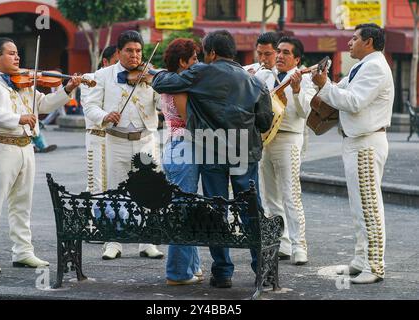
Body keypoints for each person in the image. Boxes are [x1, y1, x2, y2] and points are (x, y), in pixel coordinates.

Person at [152, 30, 273, 288]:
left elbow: (162, 83)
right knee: (251, 209)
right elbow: (264, 122)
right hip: (244, 151)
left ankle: (222, 272)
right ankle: (261, 268)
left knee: (216, 211)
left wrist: (158, 71)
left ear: (212, 53)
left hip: (211, 150)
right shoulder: (255, 82)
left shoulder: (201, 73)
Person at [0, 37, 82, 273]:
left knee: (23, 204)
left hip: (26, 147)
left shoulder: (24, 82)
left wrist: (68, 88)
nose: (17, 57)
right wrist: (18, 118)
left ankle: (23, 251)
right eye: (11, 53)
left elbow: (45, 104)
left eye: (18, 53)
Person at [312, 23, 393, 284]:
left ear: (368, 41)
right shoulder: (362, 66)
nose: (349, 42)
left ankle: (375, 266)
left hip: (366, 143)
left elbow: (354, 102)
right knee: (359, 206)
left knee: (369, 206)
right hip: (357, 142)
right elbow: (340, 91)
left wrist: (325, 85)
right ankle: (361, 260)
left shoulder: (376, 66)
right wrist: (318, 82)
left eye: (354, 38)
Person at [84, 30, 164, 260]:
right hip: (115, 140)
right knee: (115, 192)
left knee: (148, 191)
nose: (135, 56)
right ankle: (113, 241)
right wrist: (105, 115)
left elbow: (162, 101)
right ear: (118, 52)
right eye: (129, 51)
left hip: (146, 140)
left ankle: (147, 241)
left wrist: (159, 84)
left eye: (138, 51)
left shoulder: (150, 75)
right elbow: (89, 106)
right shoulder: (102, 75)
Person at [259, 36, 316, 265]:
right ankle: (280, 243)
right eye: (279, 51)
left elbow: (305, 113)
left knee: (291, 195)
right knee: (270, 196)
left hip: (289, 139)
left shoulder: (307, 79)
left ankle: (299, 246)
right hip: (265, 139)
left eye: (286, 53)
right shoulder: (264, 76)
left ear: (297, 59)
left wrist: (296, 89)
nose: (280, 56)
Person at [160, 38, 203, 285]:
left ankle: (192, 267)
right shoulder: (179, 86)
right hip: (183, 147)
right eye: (194, 59)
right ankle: (177, 272)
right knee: (183, 210)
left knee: (187, 206)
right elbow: (190, 121)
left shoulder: (170, 82)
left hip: (176, 146)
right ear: (182, 62)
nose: (197, 63)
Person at [81, 45, 118, 245]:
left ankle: (109, 221)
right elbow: (91, 108)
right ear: (105, 62)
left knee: (113, 182)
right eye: (115, 62)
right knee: (96, 181)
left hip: (115, 137)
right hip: (97, 135)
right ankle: (96, 224)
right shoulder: (91, 78)